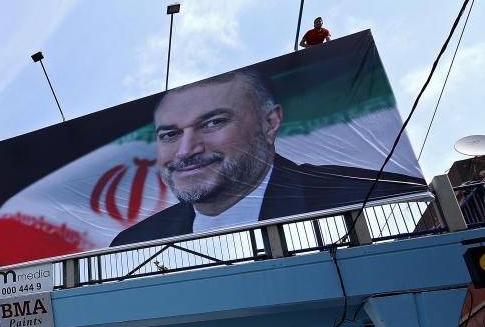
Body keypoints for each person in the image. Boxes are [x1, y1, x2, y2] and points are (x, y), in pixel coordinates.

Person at [110, 69, 425, 245]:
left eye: (213, 123)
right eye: (170, 134)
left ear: (270, 122)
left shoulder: (371, 192)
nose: (186, 150)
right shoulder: (135, 240)